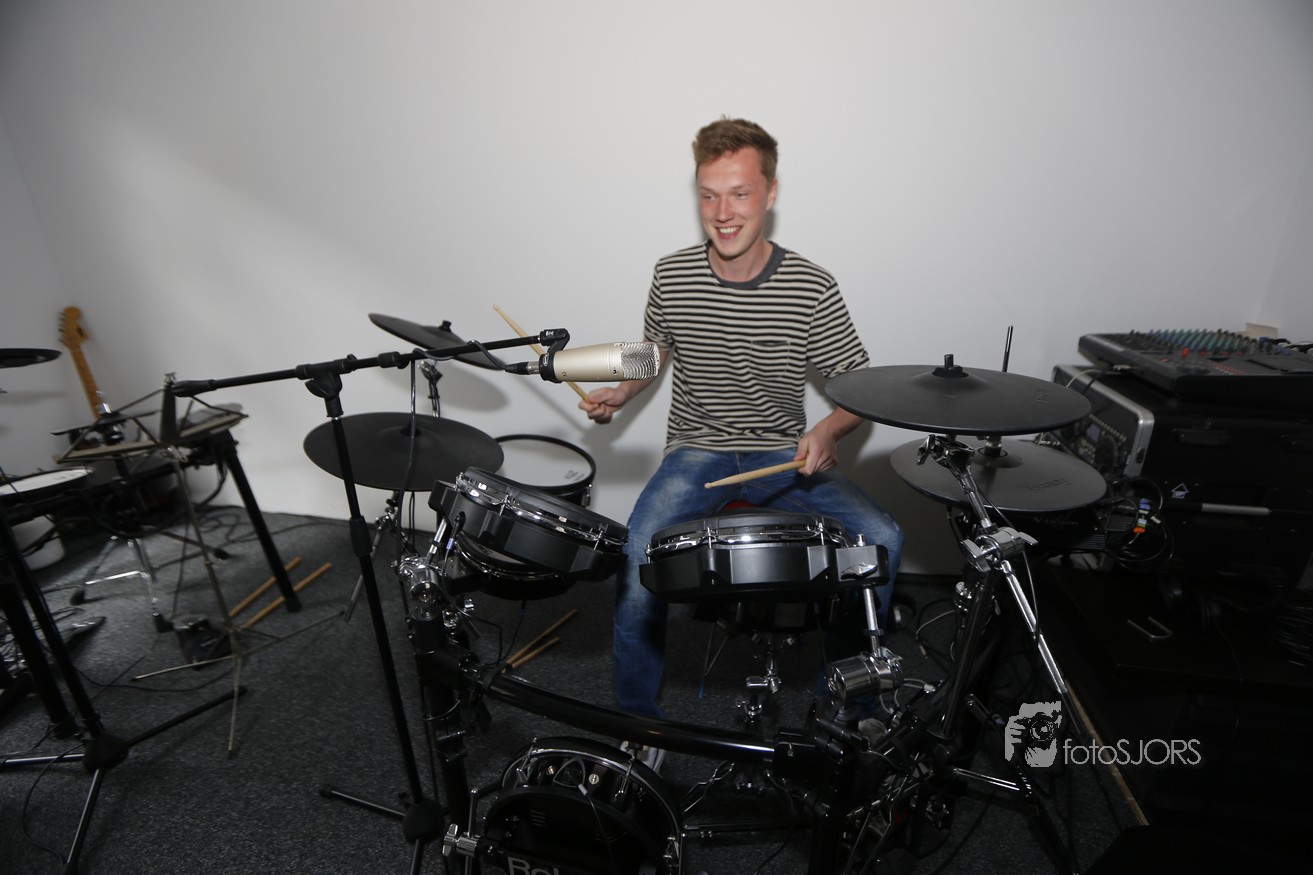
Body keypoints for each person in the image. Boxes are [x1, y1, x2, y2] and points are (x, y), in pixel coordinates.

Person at [581, 117, 904, 722]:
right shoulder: (671, 273)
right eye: (709, 196)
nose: (723, 213)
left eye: (739, 194)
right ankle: (637, 723)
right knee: (636, 555)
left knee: (880, 538)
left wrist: (828, 430)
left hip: (783, 455)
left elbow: (858, 390)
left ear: (770, 193)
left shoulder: (811, 286)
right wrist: (620, 393)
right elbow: (654, 350)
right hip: (696, 453)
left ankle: (849, 701)